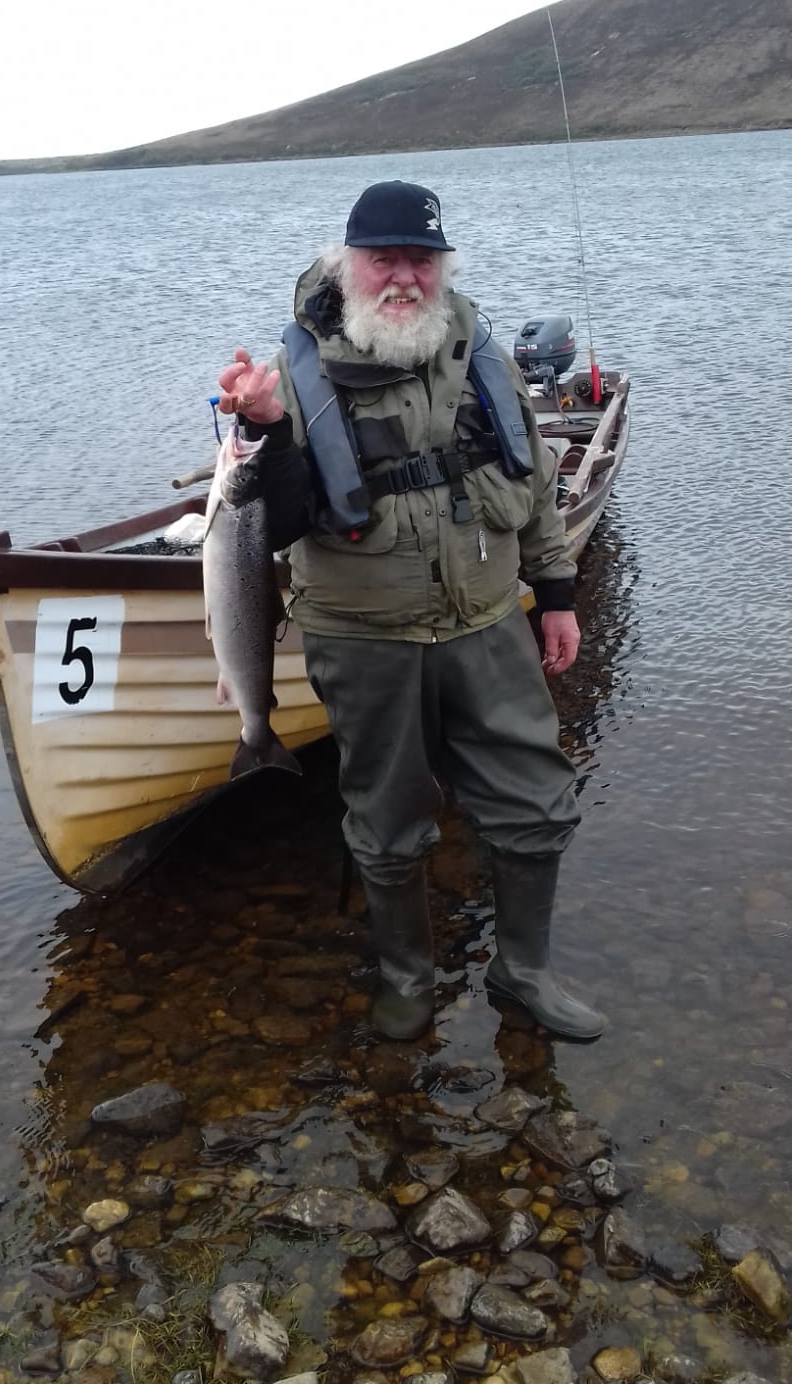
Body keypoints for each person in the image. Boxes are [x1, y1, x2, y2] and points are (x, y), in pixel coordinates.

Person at [216, 180, 605, 1043]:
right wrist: (266, 428)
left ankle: (523, 970)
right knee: (387, 820)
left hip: (486, 620)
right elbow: (268, 523)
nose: (404, 277)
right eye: (384, 258)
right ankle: (406, 975)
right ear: (349, 263)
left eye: (420, 259)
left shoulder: (480, 348)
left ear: (443, 265)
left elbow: (533, 479)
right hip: (364, 638)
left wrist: (558, 594)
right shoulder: (287, 374)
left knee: (536, 801)